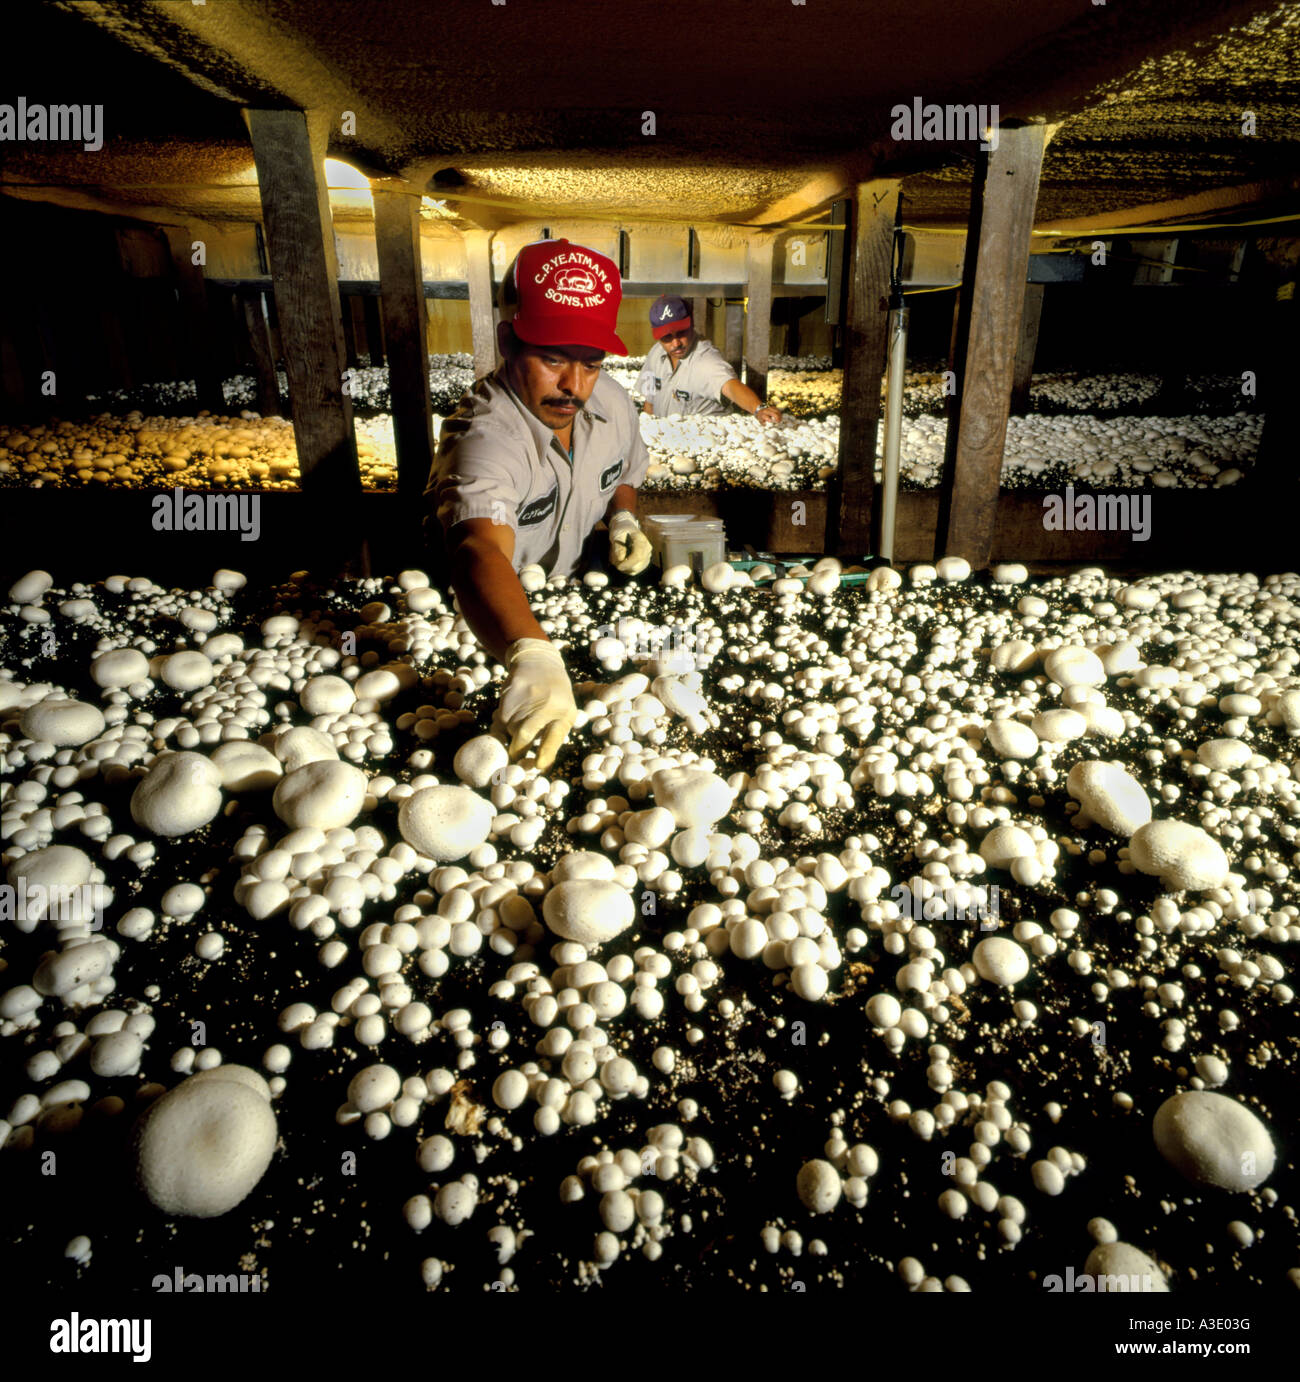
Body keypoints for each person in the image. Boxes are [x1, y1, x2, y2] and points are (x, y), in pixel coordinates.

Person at [425, 239, 653, 772]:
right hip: (484, 621)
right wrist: (530, 653)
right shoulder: (486, 434)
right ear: (508, 341)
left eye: (590, 363)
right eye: (552, 359)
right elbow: (477, 544)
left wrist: (622, 514)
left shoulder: (611, 402)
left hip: (572, 599)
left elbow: (625, 470)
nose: (573, 386)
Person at [635, 294, 782, 424]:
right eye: (667, 337)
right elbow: (650, 402)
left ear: (692, 324)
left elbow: (730, 385)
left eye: (681, 333)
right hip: (666, 439)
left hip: (703, 440)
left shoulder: (705, 360)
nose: (676, 343)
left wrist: (758, 409)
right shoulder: (656, 353)